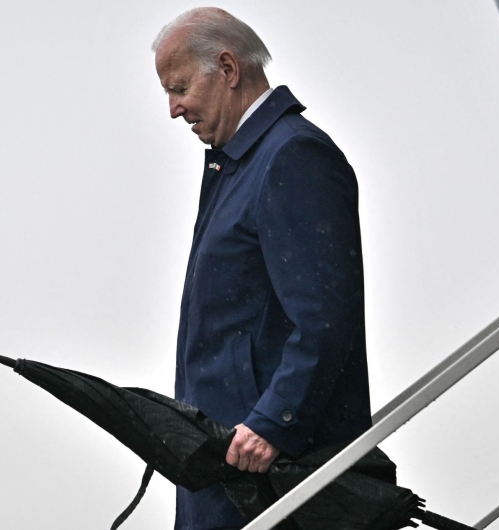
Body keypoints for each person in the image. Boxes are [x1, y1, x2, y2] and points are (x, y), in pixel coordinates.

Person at [152, 8, 373, 530]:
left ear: (228, 69)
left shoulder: (293, 155)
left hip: (274, 479)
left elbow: (324, 317)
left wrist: (275, 423)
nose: (173, 108)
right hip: (236, 473)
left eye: (179, 86)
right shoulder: (241, 165)